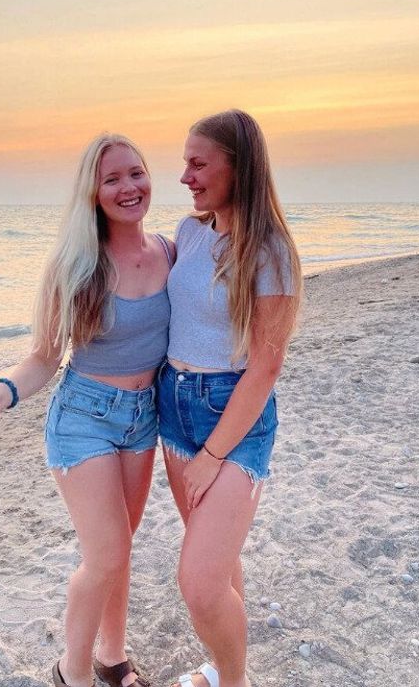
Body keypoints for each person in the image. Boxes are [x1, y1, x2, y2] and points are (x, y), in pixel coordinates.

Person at [0, 134, 171, 687]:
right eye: (112, 179)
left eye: (136, 173)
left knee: (119, 552)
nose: (129, 187)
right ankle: (71, 672)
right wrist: (2, 392)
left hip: (143, 418)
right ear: (93, 194)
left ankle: (113, 657)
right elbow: (44, 356)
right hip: (84, 417)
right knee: (105, 554)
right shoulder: (76, 265)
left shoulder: (171, 253)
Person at [159, 109, 301, 687]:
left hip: (233, 417)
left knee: (198, 580)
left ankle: (235, 681)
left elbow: (266, 365)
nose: (186, 176)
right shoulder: (190, 232)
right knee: (217, 562)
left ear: (237, 167)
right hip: (174, 406)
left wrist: (214, 455)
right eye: (184, 163)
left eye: (198, 163)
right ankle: (222, 671)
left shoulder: (272, 253)